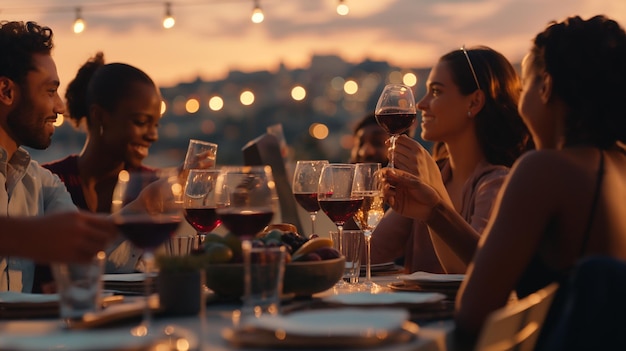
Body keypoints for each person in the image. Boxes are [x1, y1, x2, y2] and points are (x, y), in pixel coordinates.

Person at [382, 15, 626, 348]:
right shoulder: (617, 164)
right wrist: (436, 210)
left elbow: (473, 314)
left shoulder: (544, 170)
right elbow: (493, 270)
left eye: (524, 87)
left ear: (546, 87)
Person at [371, 46, 530, 274]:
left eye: (436, 92)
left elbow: (471, 272)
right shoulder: (433, 176)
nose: (421, 104)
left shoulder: (496, 183)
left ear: (474, 102)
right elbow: (370, 254)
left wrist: (432, 191)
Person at [0, 20, 118, 292]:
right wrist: (28, 236)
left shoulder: (43, 183)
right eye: (50, 91)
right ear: (7, 92)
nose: (61, 107)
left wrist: (143, 211)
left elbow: (88, 252)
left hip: (24, 335)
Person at [33, 52, 162, 291]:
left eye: (155, 124)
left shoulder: (155, 186)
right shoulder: (46, 183)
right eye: (141, 122)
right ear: (100, 116)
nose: (153, 135)